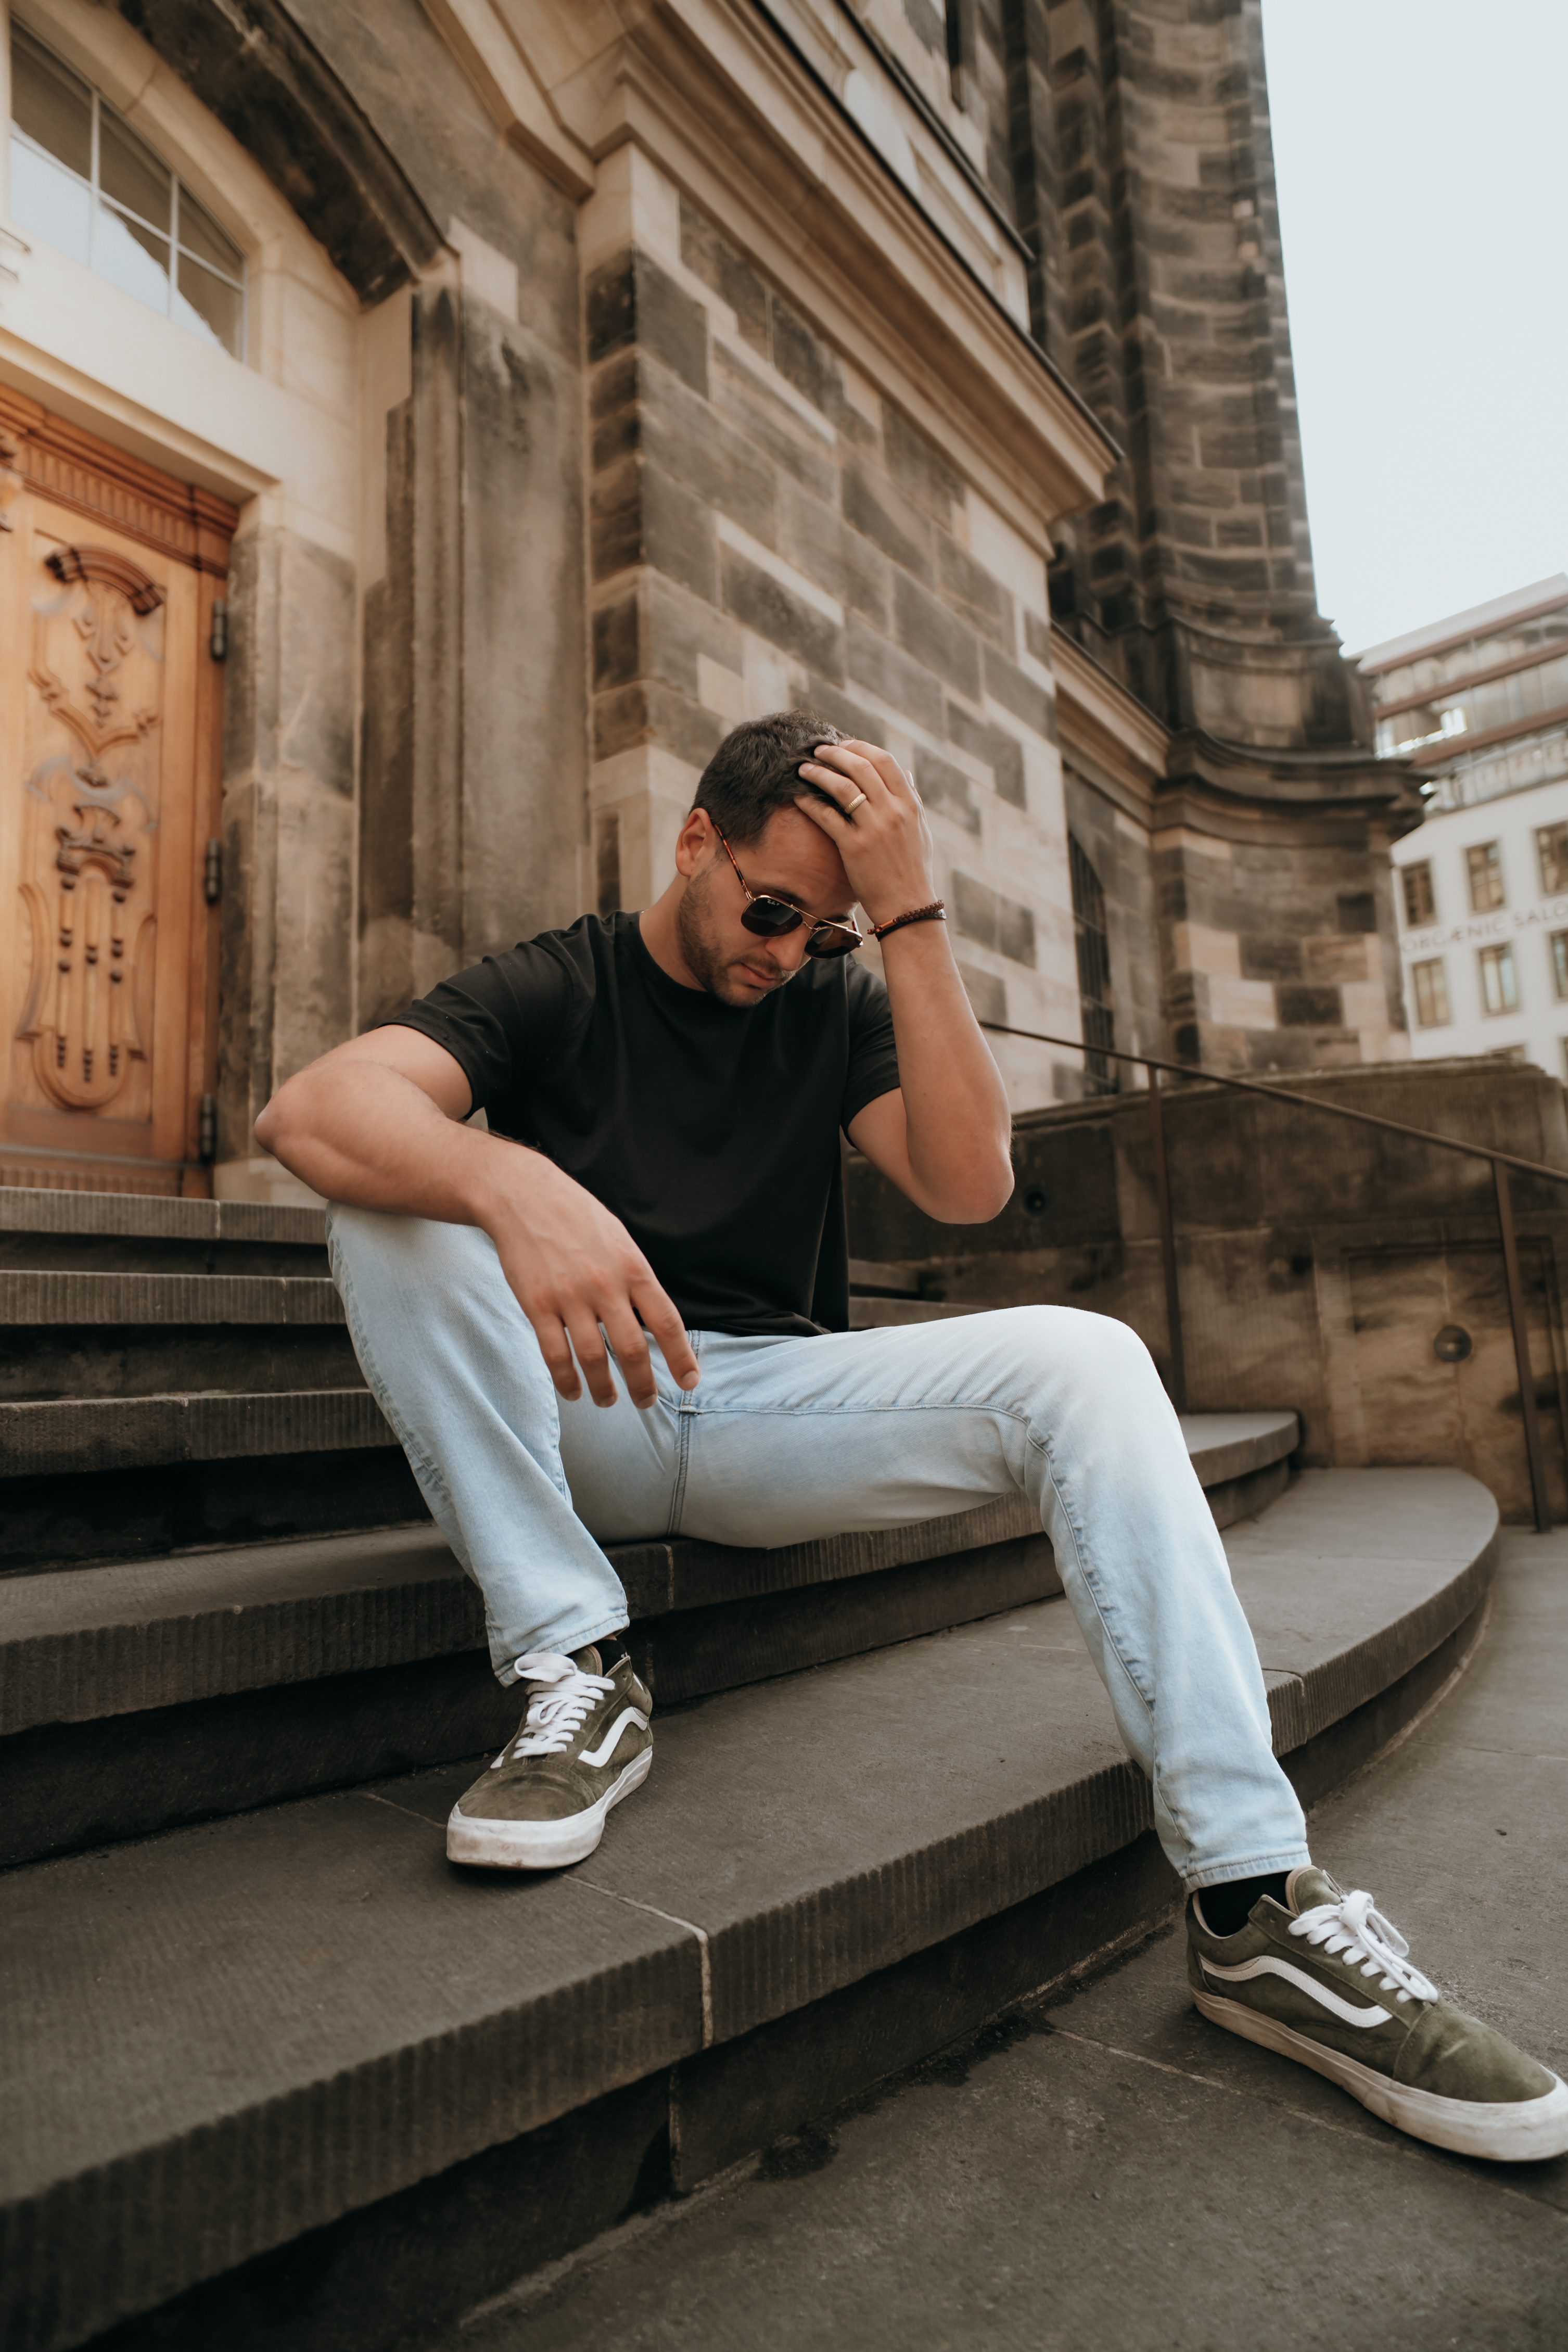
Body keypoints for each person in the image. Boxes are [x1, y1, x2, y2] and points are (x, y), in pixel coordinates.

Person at [256, 711, 1567, 2165]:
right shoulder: (562, 983)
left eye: (826, 928)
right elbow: (311, 1107)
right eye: (768, 909)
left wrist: (913, 918)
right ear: (696, 843)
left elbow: (965, 1186)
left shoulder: (836, 997)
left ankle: (1254, 1902)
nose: (787, 949)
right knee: (382, 1193)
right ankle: (577, 1667)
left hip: (765, 1415)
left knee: (1090, 1358)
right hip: (582, 1415)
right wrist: (510, 1183)